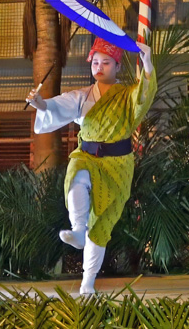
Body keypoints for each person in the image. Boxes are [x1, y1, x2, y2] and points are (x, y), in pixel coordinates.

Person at [26, 38, 157, 295]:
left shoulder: (127, 95)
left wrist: (148, 64)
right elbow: (55, 107)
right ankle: (77, 229)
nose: (99, 67)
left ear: (118, 66)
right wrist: (40, 103)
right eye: (95, 62)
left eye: (105, 62)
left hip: (116, 165)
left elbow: (144, 95)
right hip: (86, 155)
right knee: (76, 176)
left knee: (101, 224)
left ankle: (88, 281)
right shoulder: (83, 95)